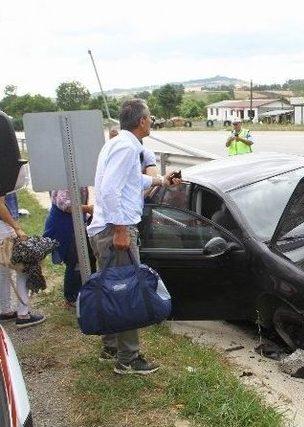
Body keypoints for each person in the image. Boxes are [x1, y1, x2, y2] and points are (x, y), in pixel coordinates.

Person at [87, 99, 181, 375]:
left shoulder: (120, 144)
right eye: (150, 117)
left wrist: (161, 181)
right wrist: (119, 229)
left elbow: (130, 182)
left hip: (106, 228)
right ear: (141, 121)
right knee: (126, 292)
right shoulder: (128, 147)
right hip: (115, 229)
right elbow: (108, 189)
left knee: (113, 288)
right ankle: (128, 359)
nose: (151, 121)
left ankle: (111, 346)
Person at [0, 195, 46, 328]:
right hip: (2, 228)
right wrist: (16, 227)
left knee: (3, 270)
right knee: (24, 268)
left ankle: (5, 310)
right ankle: (23, 314)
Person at [42, 188, 93, 307]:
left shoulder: (80, 174)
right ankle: (72, 297)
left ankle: (82, 293)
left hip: (74, 224)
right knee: (74, 261)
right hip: (63, 226)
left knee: (81, 260)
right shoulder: (65, 176)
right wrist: (89, 208)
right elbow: (65, 204)